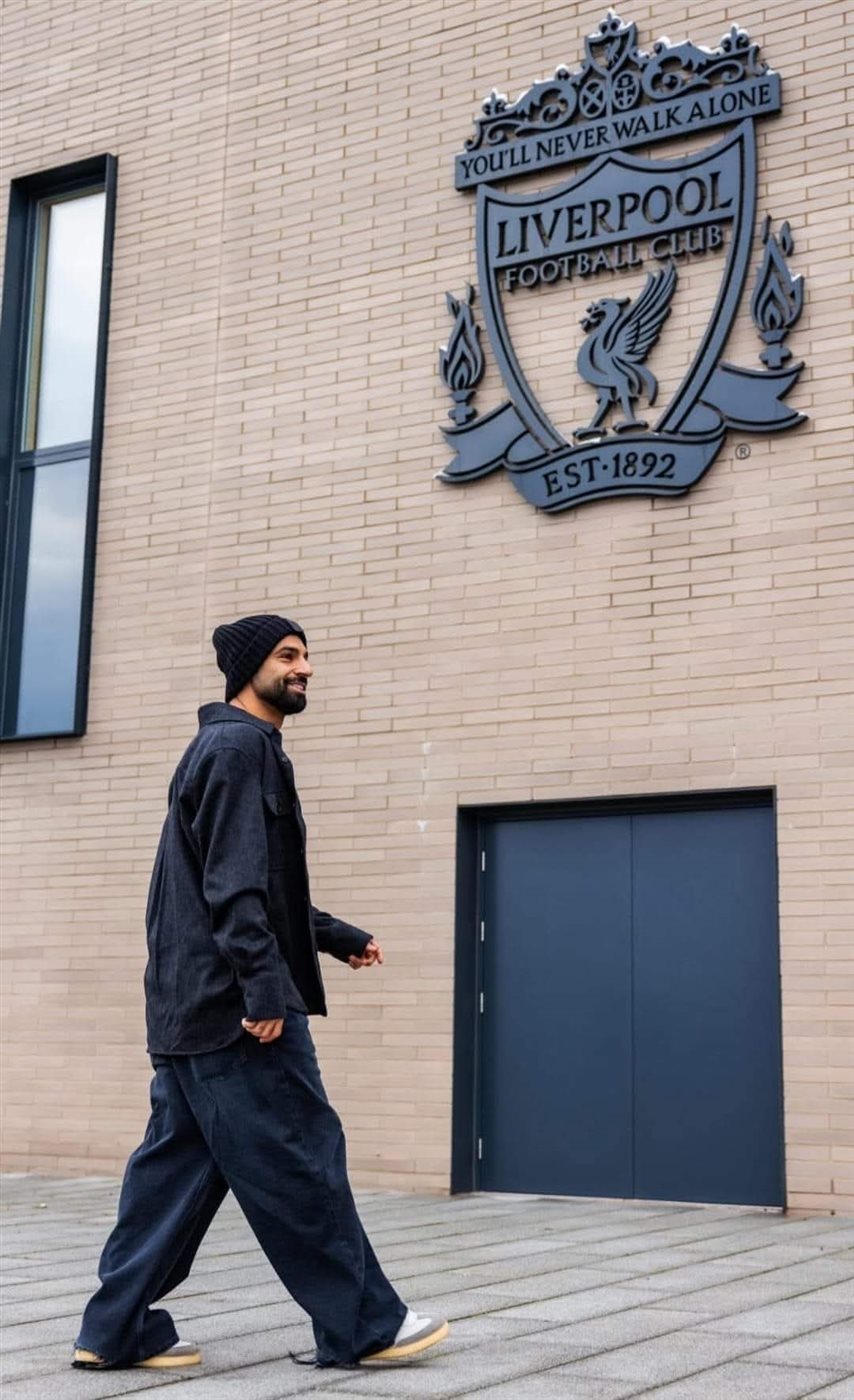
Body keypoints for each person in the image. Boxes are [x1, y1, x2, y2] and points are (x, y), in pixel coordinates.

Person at [72, 613, 448, 1371]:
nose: (304, 668)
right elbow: (233, 889)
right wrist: (264, 993)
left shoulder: (228, 749)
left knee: (175, 1173)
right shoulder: (238, 749)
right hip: (235, 1013)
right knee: (300, 1155)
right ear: (249, 668)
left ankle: (113, 1330)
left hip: (190, 1011)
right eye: (287, 655)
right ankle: (365, 1324)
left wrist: (335, 936)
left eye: (306, 655)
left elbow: (247, 886)